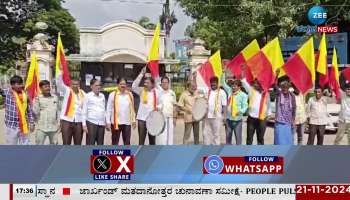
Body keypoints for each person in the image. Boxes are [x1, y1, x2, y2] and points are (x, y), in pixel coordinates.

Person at [132, 67, 162, 145]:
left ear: (152, 84)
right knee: (141, 142)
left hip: (152, 120)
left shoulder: (157, 92)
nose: (145, 84)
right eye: (145, 82)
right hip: (142, 119)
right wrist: (141, 74)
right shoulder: (142, 90)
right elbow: (133, 86)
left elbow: (161, 104)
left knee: (152, 141)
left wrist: (158, 108)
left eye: (147, 83)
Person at [241, 67, 271, 145]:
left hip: (262, 119)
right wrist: (243, 71)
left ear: (260, 84)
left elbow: (268, 104)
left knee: (260, 138)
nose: (255, 84)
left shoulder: (266, 93)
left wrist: (268, 115)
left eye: (257, 83)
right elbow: (243, 81)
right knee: (249, 138)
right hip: (251, 118)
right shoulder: (251, 90)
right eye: (254, 83)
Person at [3, 75, 35, 145]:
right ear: (12, 85)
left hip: (24, 125)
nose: (20, 85)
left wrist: (32, 122)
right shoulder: (7, 92)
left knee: (25, 146)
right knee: (11, 146)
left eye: (21, 83)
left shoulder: (25, 94)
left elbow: (28, 110)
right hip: (12, 126)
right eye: (18, 84)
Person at [106, 77, 136, 145]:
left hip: (127, 123)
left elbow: (132, 108)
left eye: (124, 84)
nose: (123, 85)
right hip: (116, 123)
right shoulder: (112, 95)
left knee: (127, 143)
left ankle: (126, 155)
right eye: (121, 84)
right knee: (114, 142)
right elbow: (108, 109)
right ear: (117, 84)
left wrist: (133, 120)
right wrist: (108, 122)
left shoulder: (130, 95)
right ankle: (114, 155)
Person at [57, 76, 85, 145]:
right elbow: (59, 83)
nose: (75, 86)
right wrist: (61, 71)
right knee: (66, 143)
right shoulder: (67, 90)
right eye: (73, 84)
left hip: (78, 121)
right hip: (67, 120)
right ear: (70, 84)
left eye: (77, 84)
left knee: (78, 144)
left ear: (79, 85)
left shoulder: (83, 93)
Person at [221, 76, 248, 145]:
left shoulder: (243, 95)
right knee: (228, 138)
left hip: (237, 120)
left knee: (238, 139)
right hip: (228, 119)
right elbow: (223, 83)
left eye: (235, 86)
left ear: (239, 87)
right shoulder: (230, 91)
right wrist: (223, 73)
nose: (233, 87)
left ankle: (238, 153)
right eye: (232, 86)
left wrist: (240, 111)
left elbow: (245, 106)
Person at [33, 80, 59, 145]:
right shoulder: (38, 98)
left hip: (54, 127)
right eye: (45, 87)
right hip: (41, 127)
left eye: (48, 86)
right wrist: (36, 101)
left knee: (54, 147)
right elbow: (35, 112)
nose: (48, 88)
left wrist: (59, 123)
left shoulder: (55, 97)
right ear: (41, 88)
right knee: (39, 146)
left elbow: (58, 111)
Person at [203, 76, 227, 145]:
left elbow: (224, 105)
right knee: (206, 134)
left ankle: (215, 151)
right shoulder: (208, 91)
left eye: (214, 84)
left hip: (217, 117)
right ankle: (207, 149)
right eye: (211, 84)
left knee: (216, 135)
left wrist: (224, 117)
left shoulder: (222, 92)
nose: (213, 85)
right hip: (207, 116)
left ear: (217, 83)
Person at [82, 79, 106, 145]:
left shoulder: (102, 96)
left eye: (99, 85)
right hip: (91, 123)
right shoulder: (87, 96)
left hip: (101, 124)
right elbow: (84, 111)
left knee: (100, 145)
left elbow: (103, 109)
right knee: (90, 144)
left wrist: (105, 121)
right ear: (91, 86)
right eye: (96, 85)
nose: (99, 87)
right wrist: (84, 125)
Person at [156, 76, 177, 145]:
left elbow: (174, 106)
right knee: (161, 137)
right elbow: (156, 105)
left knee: (170, 137)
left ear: (168, 83)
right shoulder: (158, 93)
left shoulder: (172, 93)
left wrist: (174, 117)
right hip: (161, 118)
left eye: (166, 82)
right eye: (163, 82)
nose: (164, 84)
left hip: (170, 118)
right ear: (161, 84)